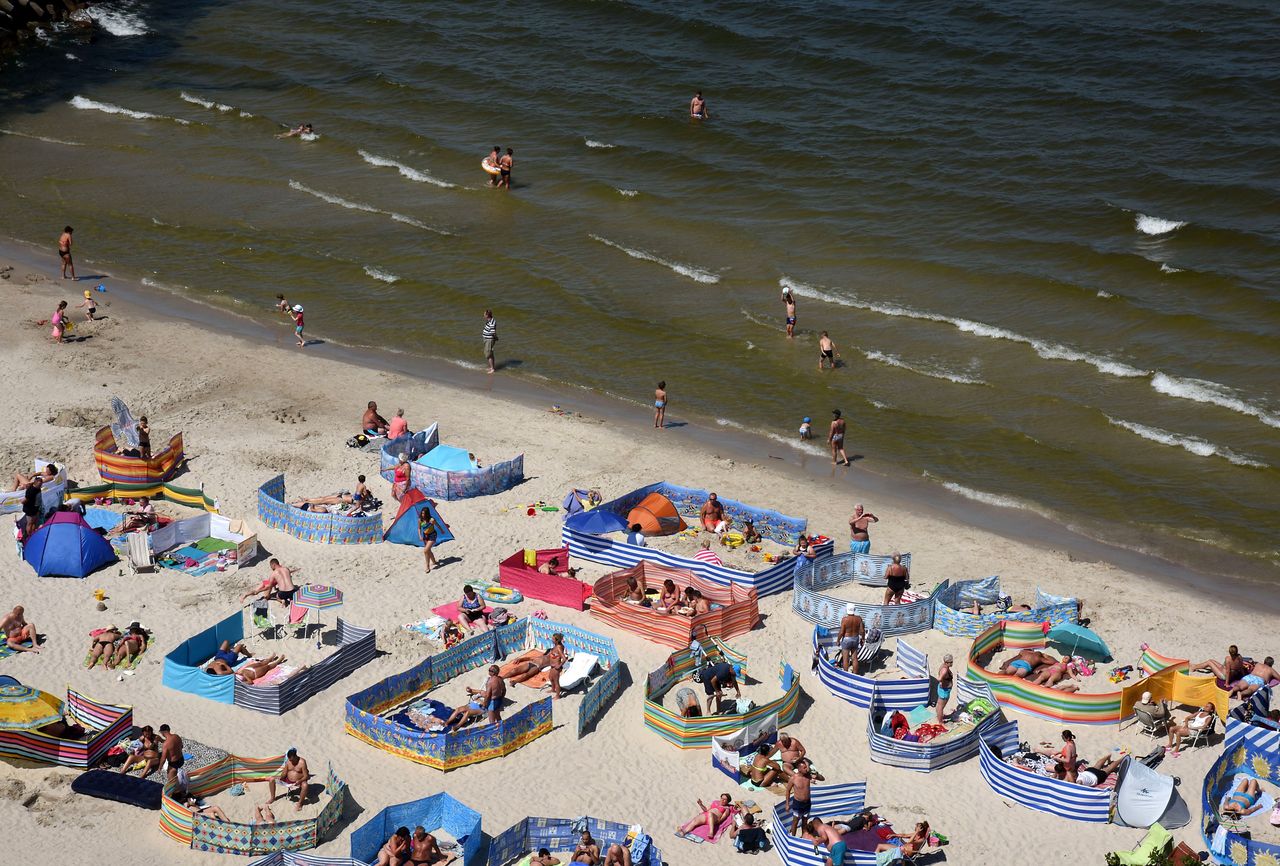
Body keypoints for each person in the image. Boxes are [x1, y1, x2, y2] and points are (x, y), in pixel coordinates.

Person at [207, 653, 289, 683]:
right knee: (267, 667)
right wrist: (245, 676)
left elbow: (233, 673)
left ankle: (270, 658)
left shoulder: (228, 677)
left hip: (247, 669)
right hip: (254, 674)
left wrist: (239, 673)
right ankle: (278, 661)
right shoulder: (237, 683)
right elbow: (250, 682)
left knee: (262, 663)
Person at [836, 604, 865, 673]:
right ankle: (855, 674)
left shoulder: (845, 619)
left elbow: (841, 632)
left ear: (847, 610)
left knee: (845, 659)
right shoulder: (859, 618)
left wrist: (838, 640)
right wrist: (863, 639)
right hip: (855, 638)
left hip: (846, 639)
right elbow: (862, 631)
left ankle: (846, 675)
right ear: (854, 610)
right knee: (854, 658)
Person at [419, 506, 441, 573]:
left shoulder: (431, 520)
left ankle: (427, 567)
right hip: (425, 535)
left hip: (432, 535)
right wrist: (420, 536)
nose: (423, 515)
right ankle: (434, 561)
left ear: (427, 514)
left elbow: (437, 525)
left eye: (424, 514)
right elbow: (419, 528)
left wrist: (442, 530)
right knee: (428, 550)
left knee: (425, 550)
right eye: (422, 513)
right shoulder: (420, 520)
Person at [546, 632, 567, 699]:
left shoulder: (558, 648)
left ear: (557, 640)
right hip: (553, 666)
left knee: (556, 681)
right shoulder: (557, 646)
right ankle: (553, 689)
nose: (552, 640)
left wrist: (559, 665)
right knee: (550, 678)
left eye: (553, 639)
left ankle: (558, 696)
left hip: (556, 667)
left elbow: (564, 658)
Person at [936, 654, 954, 723]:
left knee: (939, 705)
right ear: (946, 662)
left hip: (943, 689)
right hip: (944, 690)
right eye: (951, 662)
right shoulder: (945, 670)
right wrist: (941, 681)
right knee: (940, 707)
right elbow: (939, 678)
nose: (952, 663)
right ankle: (940, 722)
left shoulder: (943, 666)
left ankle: (939, 717)